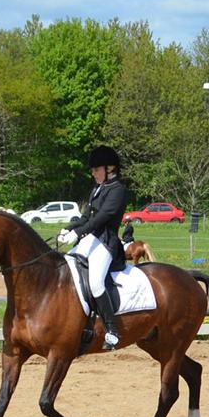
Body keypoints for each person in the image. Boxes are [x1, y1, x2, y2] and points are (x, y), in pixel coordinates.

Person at [57, 145, 128, 350]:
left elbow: (102, 218)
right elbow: (85, 217)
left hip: (106, 243)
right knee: (66, 270)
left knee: (96, 283)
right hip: (89, 241)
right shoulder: (97, 189)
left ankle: (112, 330)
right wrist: (68, 228)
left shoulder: (118, 190)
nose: (93, 173)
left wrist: (78, 233)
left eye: (97, 169)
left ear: (110, 169)